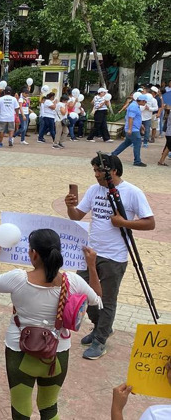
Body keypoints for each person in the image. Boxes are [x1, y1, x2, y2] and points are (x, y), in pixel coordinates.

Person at [0, 229, 102, 419]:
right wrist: (92, 266)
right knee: (49, 408)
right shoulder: (72, 281)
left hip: (19, 352)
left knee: (20, 410)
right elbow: (97, 299)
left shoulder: (17, 279)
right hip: (57, 356)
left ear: (34, 254)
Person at [66, 153, 154, 359]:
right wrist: (70, 205)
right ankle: (101, 327)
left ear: (113, 171)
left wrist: (124, 223)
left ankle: (100, 339)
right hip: (90, 253)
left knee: (107, 299)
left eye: (99, 171)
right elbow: (76, 216)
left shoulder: (132, 192)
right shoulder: (93, 190)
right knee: (85, 296)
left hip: (114, 256)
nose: (96, 175)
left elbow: (150, 222)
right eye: (94, 171)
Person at [112, 93, 148, 167]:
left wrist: (140, 125)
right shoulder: (134, 106)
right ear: (142, 101)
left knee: (126, 143)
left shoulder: (135, 105)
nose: (146, 103)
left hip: (133, 128)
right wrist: (130, 129)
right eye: (145, 101)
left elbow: (134, 118)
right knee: (137, 144)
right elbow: (130, 118)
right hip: (133, 129)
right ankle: (137, 161)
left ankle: (113, 154)